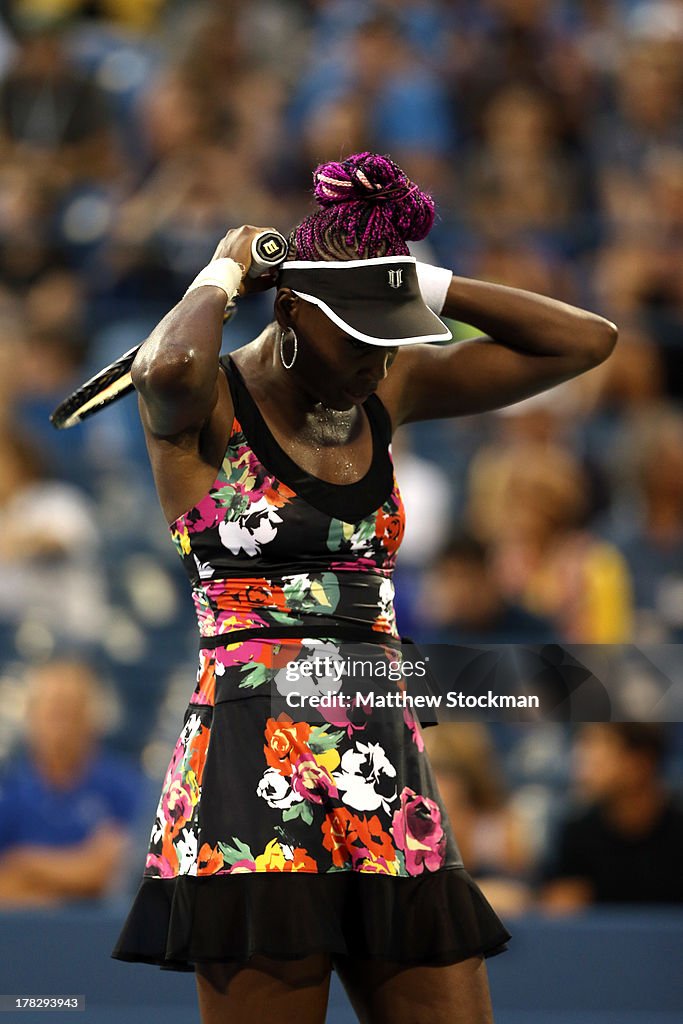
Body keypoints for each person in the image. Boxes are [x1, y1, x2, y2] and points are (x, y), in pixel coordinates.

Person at [111, 152, 617, 1024]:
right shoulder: (205, 402)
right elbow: (161, 370)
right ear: (296, 308)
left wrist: (420, 283)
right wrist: (226, 268)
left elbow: (585, 340)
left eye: (394, 340)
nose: (377, 367)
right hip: (251, 763)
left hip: (382, 754)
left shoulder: (390, 388)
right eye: (362, 341)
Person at [0, 657, 141, 907]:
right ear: (32, 717)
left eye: (71, 711)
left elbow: (109, 874)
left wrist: (25, 864)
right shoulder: (10, 793)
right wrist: (70, 880)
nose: (62, 726)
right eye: (54, 712)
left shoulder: (123, 786)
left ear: (93, 719)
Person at [539, 723, 683, 911]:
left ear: (640, 762)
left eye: (598, 744)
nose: (583, 758)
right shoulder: (577, 832)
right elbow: (561, 907)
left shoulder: (678, 830)